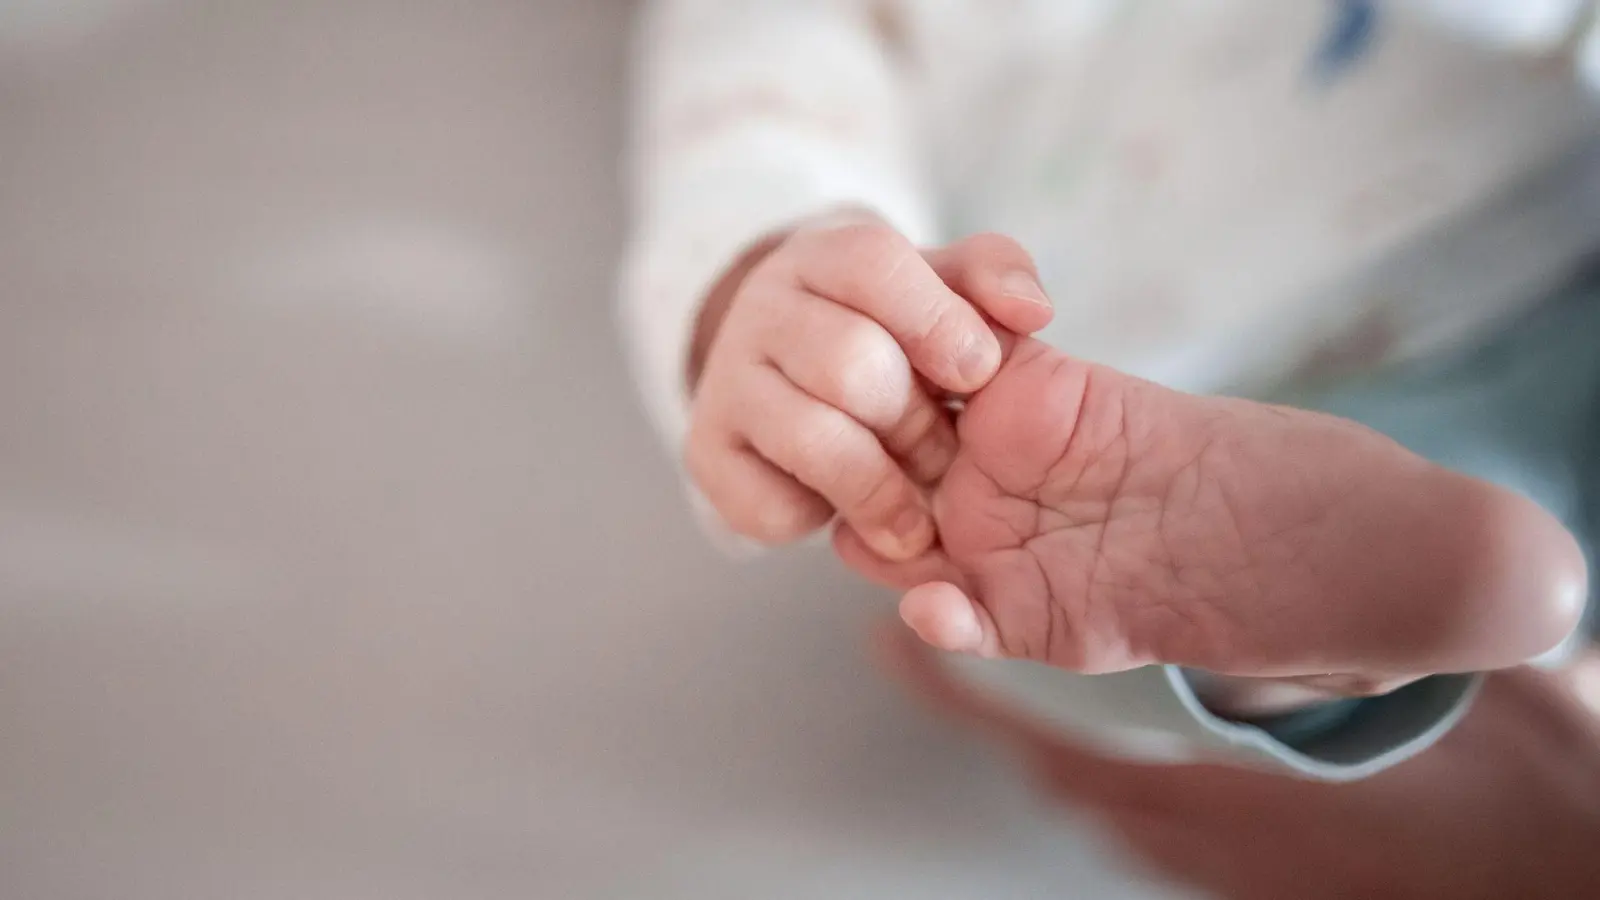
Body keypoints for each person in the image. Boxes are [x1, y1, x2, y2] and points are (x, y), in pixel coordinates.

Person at [617, 1, 1600, 777]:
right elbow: (756, 91)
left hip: (1488, 302)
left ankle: (1292, 646)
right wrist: (768, 275)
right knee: (996, 576)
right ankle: (1265, 650)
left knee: (1503, 471)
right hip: (1010, 377)